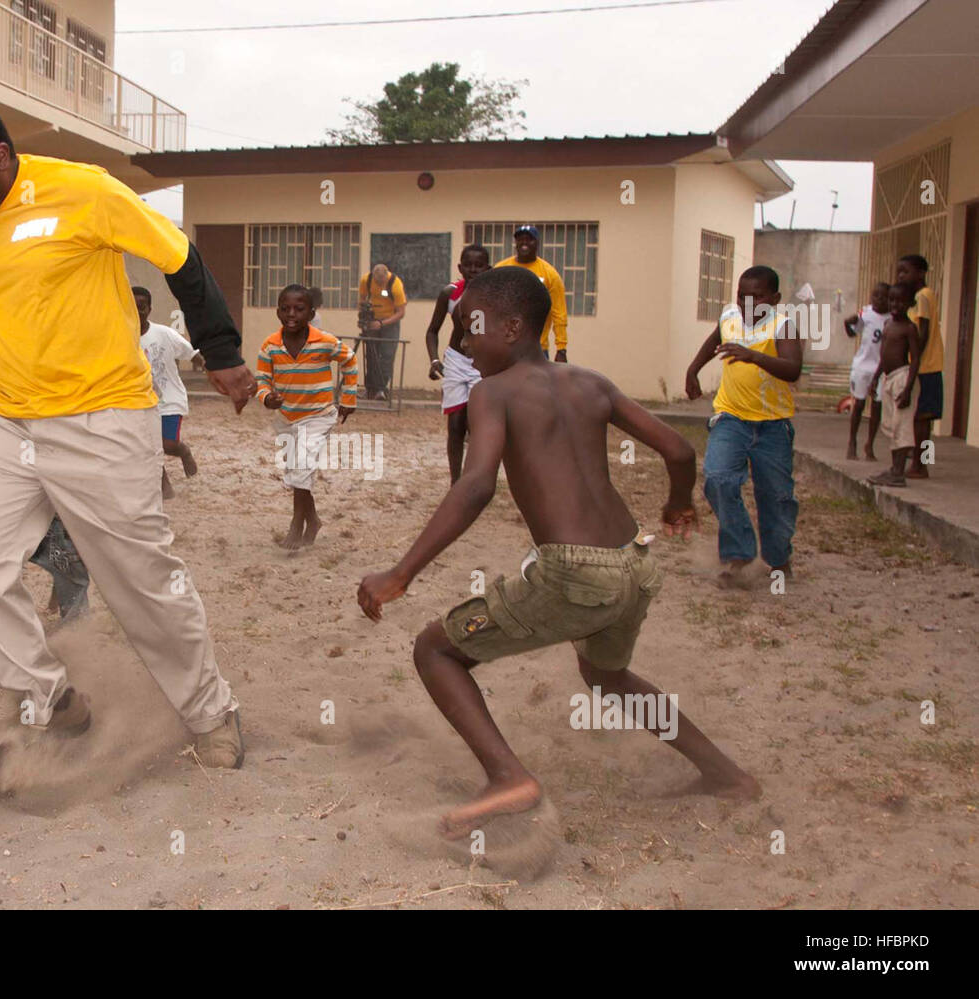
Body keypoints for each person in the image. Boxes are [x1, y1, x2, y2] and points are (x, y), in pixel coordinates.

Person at [0, 100, 255, 767]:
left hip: (104, 413)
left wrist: (222, 352)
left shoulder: (84, 190)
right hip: (11, 418)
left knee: (140, 579)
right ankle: (50, 698)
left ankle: (212, 712)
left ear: (1, 157)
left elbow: (181, 259)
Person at [357, 267, 758, 838]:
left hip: (575, 574)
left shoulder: (491, 392)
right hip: (636, 564)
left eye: (472, 326)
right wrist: (676, 507)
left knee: (436, 652)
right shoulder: (591, 382)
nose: (464, 342)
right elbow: (677, 449)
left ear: (514, 326)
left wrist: (402, 572)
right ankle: (726, 775)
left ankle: (507, 778)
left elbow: (475, 487)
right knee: (606, 674)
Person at [684, 265, 802, 589]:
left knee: (776, 496)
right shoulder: (729, 318)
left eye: (758, 296)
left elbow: (793, 369)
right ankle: (739, 554)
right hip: (731, 418)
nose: (748, 302)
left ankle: (778, 557)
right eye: (741, 295)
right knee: (719, 478)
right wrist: (693, 370)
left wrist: (752, 356)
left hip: (772, 426)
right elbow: (715, 341)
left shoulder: (782, 326)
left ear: (775, 298)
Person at [0, 376, 90, 620]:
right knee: (11, 538)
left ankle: (76, 625)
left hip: (65, 460)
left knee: (65, 549)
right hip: (21, 458)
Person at [257, 284, 357, 549]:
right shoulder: (270, 346)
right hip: (286, 418)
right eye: (285, 308)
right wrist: (267, 398)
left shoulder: (323, 341)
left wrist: (348, 397)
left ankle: (296, 524)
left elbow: (350, 359)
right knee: (295, 473)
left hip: (318, 415)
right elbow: (262, 381)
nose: (291, 314)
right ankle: (313, 520)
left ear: (311, 312)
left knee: (300, 470)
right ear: (277, 310)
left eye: (299, 309)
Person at [424, 243, 492, 483]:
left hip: (483, 363)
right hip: (455, 360)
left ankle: (474, 479)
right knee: (455, 424)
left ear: (488, 268)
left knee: (476, 425)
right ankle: (456, 482)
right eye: (469, 265)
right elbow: (432, 331)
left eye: (479, 265)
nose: (473, 269)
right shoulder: (449, 294)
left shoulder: (496, 297)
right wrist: (434, 360)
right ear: (460, 267)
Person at [133, 285, 203, 499]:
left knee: (167, 444)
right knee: (148, 446)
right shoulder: (123, 338)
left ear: (150, 309)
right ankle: (164, 487)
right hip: (141, 401)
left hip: (169, 398)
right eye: (132, 307)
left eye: (142, 307)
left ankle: (183, 452)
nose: (137, 312)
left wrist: (205, 366)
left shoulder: (164, 334)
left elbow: (191, 353)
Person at [866, 283, 923, 488]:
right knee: (890, 425)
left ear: (910, 304)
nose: (895, 304)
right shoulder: (888, 324)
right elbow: (884, 355)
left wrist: (908, 389)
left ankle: (899, 472)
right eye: (892, 300)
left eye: (900, 301)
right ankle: (894, 469)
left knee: (902, 427)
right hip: (888, 379)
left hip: (903, 378)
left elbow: (915, 359)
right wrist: (875, 378)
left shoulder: (909, 328)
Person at [896, 255, 944, 478]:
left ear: (921, 273)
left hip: (925, 366)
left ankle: (920, 465)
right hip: (925, 365)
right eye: (899, 272)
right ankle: (924, 461)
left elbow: (923, 333)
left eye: (905, 271)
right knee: (924, 419)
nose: (901, 276)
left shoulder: (923, 296)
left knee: (922, 418)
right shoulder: (919, 297)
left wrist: (913, 360)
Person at [494, 225, 569, 361]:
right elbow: (488, 305)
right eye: (520, 239)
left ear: (537, 243)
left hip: (536, 348)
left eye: (529, 239)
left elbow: (559, 314)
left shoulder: (550, 274)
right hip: (505, 345)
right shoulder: (501, 269)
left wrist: (561, 348)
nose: (524, 243)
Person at [843, 282, 890, 461]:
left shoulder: (891, 318)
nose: (878, 299)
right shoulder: (866, 313)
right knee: (859, 404)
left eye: (883, 296)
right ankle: (852, 442)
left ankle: (870, 443)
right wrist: (847, 323)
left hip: (881, 367)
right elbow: (852, 333)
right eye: (875, 295)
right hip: (862, 366)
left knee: (877, 405)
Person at [358, 263, 407, 401]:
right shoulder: (366, 280)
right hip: (372, 320)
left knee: (386, 355)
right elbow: (362, 299)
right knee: (371, 356)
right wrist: (363, 314)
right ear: (373, 276)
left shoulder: (395, 285)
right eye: (377, 281)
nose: (380, 284)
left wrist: (381, 323)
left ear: (386, 276)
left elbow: (401, 312)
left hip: (390, 322)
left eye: (382, 282)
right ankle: (370, 389)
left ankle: (381, 389)